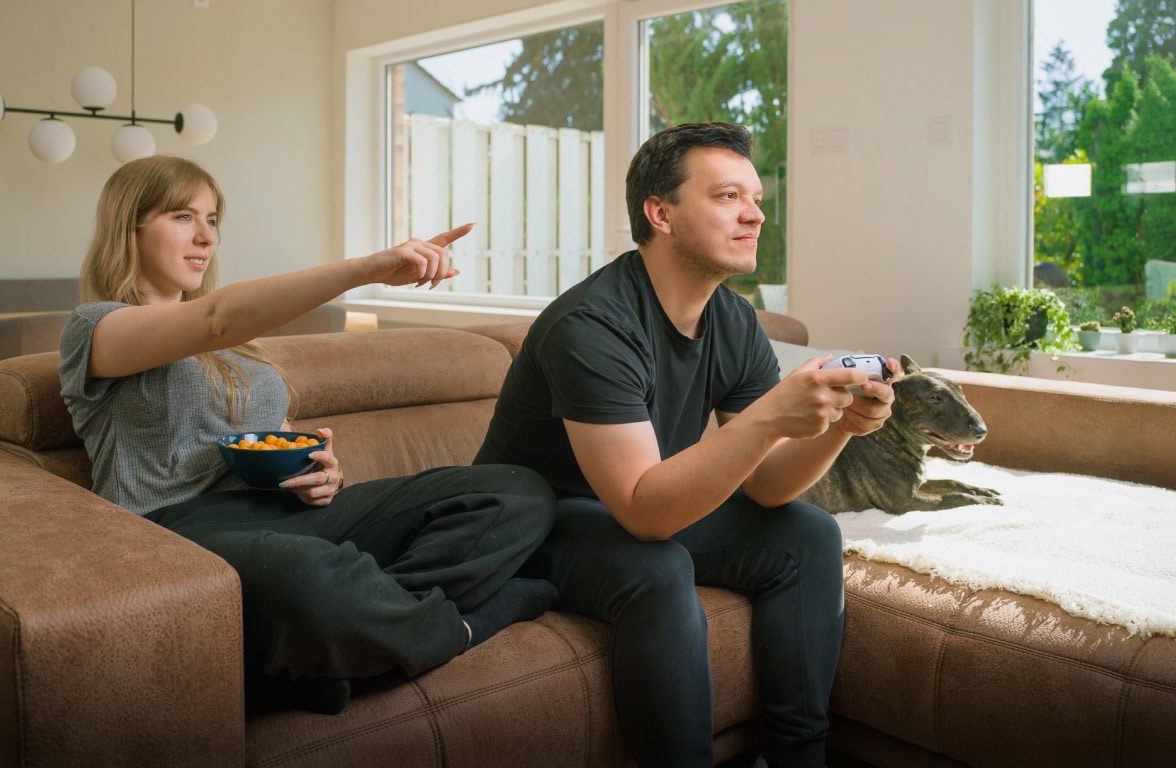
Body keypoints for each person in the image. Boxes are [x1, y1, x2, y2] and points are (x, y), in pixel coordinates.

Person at [58, 155, 557, 715]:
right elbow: (214, 319)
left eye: (213, 219)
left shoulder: (238, 349)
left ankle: (338, 649)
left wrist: (322, 472)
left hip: (279, 514)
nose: (205, 237)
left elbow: (273, 438)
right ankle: (462, 626)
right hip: (172, 531)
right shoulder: (97, 327)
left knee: (516, 492)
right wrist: (366, 268)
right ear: (129, 227)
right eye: (182, 217)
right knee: (314, 577)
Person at [474, 123, 897, 767]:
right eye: (728, 196)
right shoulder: (591, 324)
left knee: (807, 534)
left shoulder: (731, 317)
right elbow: (646, 514)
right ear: (660, 213)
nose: (755, 214)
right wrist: (770, 416)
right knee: (657, 566)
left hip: (626, 509)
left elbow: (768, 486)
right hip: (532, 522)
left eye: (756, 199)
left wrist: (840, 424)